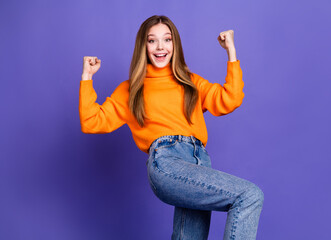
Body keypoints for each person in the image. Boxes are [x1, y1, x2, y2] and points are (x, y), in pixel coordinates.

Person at [79, 15, 264, 240]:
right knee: (249, 196)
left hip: (199, 164)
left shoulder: (191, 82)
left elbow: (230, 99)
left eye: (167, 40)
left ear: (175, 45)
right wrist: (87, 78)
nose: (160, 47)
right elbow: (91, 121)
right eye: (152, 40)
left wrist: (231, 52)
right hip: (166, 162)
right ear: (143, 46)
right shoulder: (132, 90)